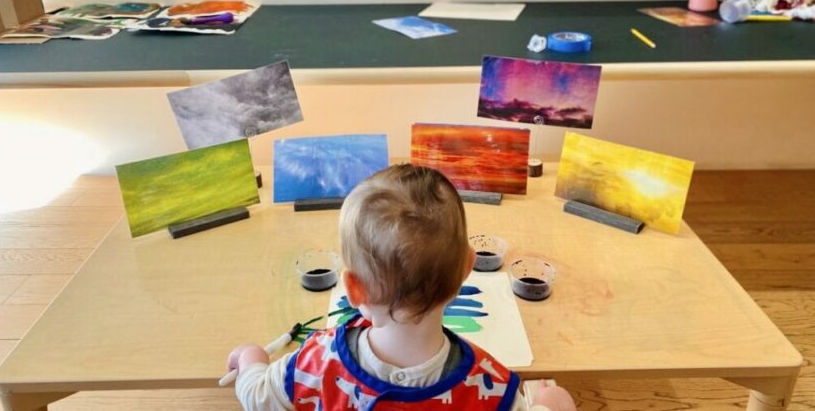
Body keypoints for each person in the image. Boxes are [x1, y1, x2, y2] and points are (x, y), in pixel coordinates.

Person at [227, 164, 577, 411]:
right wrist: (552, 406)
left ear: (354, 288)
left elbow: (258, 397)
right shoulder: (490, 386)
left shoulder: (314, 364)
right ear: (467, 268)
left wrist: (250, 358)